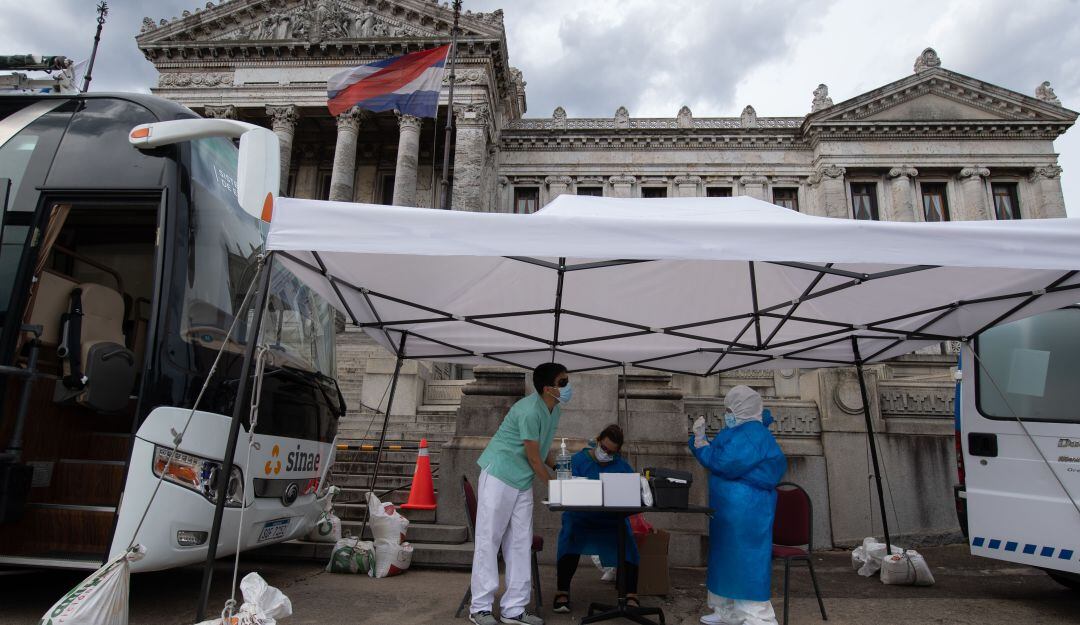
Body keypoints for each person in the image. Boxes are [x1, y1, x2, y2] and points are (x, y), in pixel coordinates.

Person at [469, 362, 571, 625]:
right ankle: (480, 608)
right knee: (488, 540)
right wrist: (557, 488)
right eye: (563, 382)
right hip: (500, 475)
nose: (568, 387)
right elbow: (534, 459)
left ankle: (514, 609)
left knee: (520, 543)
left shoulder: (554, 410)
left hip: (522, 480)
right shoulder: (527, 411)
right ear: (548, 388)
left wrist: (564, 468)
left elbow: (544, 451)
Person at [689, 385, 787, 625]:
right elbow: (721, 457)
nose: (727, 414)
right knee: (725, 557)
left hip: (747, 509)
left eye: (730, 409)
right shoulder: (739, 430)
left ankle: (757, 617)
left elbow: (724, 462)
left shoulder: (752, 433)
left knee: (746, 560)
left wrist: (700, 442)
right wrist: (703, 442)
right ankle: (726, 611)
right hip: (730, 509)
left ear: (741, 409)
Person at [552, 424, 639, 614]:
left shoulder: (622, 466)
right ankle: (562, 591)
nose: (606, 453)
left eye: (611, 452)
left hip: (611, 521)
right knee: (569, 538)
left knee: (628, 542)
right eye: (604, 448)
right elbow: (563, 488)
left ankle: (631, 594)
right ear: (598, 440)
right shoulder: (577, 460)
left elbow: (633, 494)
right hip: (580, 518)